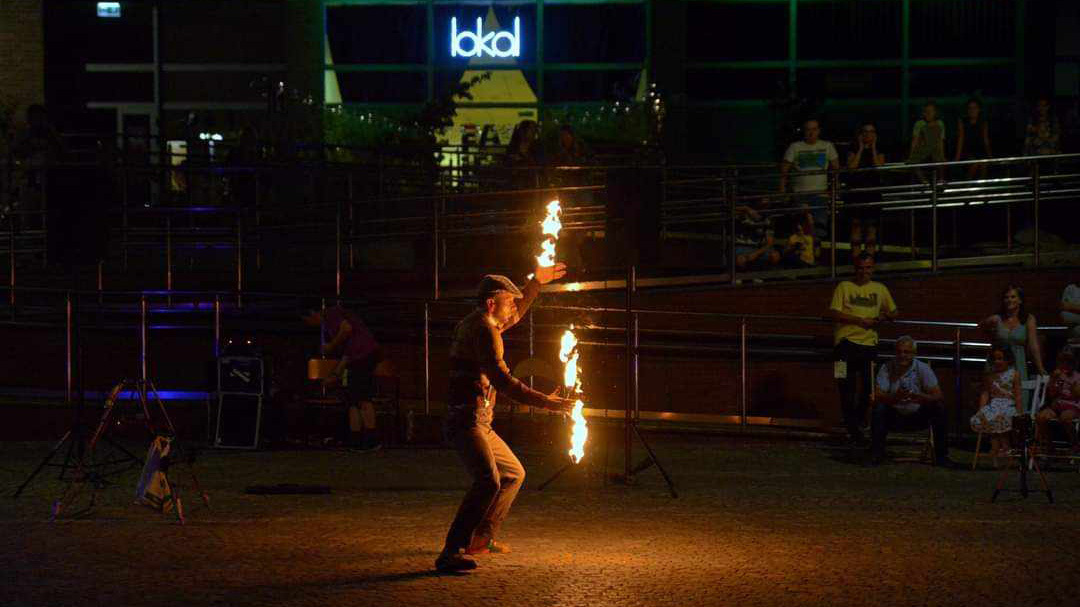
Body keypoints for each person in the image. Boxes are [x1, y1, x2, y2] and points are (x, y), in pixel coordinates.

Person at [436, 265, 576, 573]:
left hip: (480, 421)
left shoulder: (484, 323)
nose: (513, 306)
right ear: (490, 303)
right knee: (488, 479)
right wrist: (546, 403)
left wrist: (535, 284)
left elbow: (515, 315)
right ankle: (451, 551)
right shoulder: (482, 330)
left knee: (513, 474)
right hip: (466, 420)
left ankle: (479, 540)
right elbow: (503, 380)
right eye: (507, 300)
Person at [825, 253, 899, 445]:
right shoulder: (844, 287)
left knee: (869, 388)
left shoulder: (880, 289)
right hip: (844, 345)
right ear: (855, 268)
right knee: (845, 386)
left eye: (868, 268)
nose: (864, 272)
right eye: (860, 268)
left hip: (868, 345)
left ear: (872, 269)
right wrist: (859, 320)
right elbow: (833, 312)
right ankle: (852, 428)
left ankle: (857, 421)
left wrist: (880, 318)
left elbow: (894, 311)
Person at [301, 303, 383, 451]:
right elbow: (347, 351)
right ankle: (356, 439)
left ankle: (371, 439)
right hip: (357, 357)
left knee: (362, 398)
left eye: (308, 320)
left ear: (313, 314)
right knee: (352, 399)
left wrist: (331, 345)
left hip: (362, 356)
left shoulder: (331, 315)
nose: (311, 324)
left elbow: (347, 330)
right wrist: (337, 373)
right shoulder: (333, 321)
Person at [871, 336, 954, 467]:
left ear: (913, 354)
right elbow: (878, 394)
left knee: (940, 407)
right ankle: (876, 455)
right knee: (878, 408)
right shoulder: (887, 367)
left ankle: (942, 456)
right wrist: (895, 397)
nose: (902, 355)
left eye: (906, 352)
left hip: (918, 415)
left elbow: (939, 395)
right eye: (899, 352)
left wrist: (921, 396)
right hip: (894, 415)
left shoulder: (922, 368)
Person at [977, 285, 1047, 410]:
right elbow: (981, 328)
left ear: (1020, 300)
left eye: (1013, 296)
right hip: (997, 362)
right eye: (1006, 297)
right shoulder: (997, 318)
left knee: (1018, 398)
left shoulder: (1028, 319)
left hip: (1018, 362)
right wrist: (988, 328)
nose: (1009, 300)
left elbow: (1033, 344)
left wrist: (1040, 367)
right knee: (994, 396)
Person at [779, 118, 838, 239]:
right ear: (804, 131)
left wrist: (833, 188)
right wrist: (782, 188)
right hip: (800, 193)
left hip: (820, 194)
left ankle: (816, 254)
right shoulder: (795, 146)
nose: (811, 132)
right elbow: (784, 169)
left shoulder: (827, 146)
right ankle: (801, 255)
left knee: (819, 229)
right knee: (800, 229)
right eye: (808, 129)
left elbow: (836, 169)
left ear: (819, 131)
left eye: (814, 129)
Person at [971, 343, 1023, 458]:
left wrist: (1019, 412)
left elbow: (1018, 394)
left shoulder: (1014, 374)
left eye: (1000, 359)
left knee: (1000, 417)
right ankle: (995, 447)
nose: (997, 362)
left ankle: (1005, 447)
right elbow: (985, 393)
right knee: (987, 416)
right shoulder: (990, 375)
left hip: (1009, 405)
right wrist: (981, 408)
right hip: (994, 404)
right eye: (994, 359)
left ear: (1008, 359)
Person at [844, 122, 885, 258]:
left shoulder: (879, 149)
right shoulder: (853, 149)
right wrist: (861, 148)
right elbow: (851, 167)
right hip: (856, 193)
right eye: (865, 132)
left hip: (872, 193)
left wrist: (873, 148)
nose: (868, 135)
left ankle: (869, 259)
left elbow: (879, 167)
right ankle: (856, 258)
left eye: (871, 132)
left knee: (871, 228)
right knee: (856, 226)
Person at [1035, 349, 1080, 453]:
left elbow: (1077, 395)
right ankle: (1049, 444)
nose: (1065, 365)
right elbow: (1051, 394)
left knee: (1065, 417)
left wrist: (1073, 388)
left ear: (1074, 363)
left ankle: (1074, 441)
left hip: (1072, 406)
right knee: (1041, 417)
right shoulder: (1056, 376)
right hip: (1056, 405)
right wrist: (1053, 381)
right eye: (1062, 362)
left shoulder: (1077, 377)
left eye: (1068, 362)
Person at [733, 202, 780, 271]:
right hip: (743, 246)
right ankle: (743, 276)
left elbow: (770, 243)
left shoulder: (767, 220)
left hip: (758, 247)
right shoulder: (743, 215)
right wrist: (746, 208)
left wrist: (756, 253)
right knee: (740, 259)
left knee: (775, 256)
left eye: (766, 205)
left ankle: (762, 275)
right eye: (763, 204)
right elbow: (729, 209)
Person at [908, 101, 946, 184]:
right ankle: (924, 182)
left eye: (931, 111)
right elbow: (915, 141)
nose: (928, 113)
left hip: (935, 151)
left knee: (940, 160)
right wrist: (911, 155)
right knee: (914, 163)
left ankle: (940, 180)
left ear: (935, 112)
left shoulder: (940, 124)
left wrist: (942, 156)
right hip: (923, 151)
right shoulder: (919, 124)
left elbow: (940, 141)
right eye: (926, 111)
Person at [954, 98, 992, 180]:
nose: (972, 110)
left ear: (979, 109)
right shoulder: (963, 121)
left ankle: (982, 188)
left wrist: (989, 155)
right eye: (970, 108)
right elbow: (961, 138)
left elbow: (985, 139)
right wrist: (957, 157)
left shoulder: (983, 121)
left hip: (980, 149)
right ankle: (968, 186)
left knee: (983, 164)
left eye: (975, 108)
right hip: (967, 150)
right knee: (974, 164)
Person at [1061, 281, 1080, 349]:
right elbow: (1065, 307)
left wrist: (1072, 307)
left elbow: (1068, 306)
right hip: (1071, 322)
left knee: (1077, 329)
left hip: (1075, 328)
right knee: (1066, 315)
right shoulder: (1070, 288)